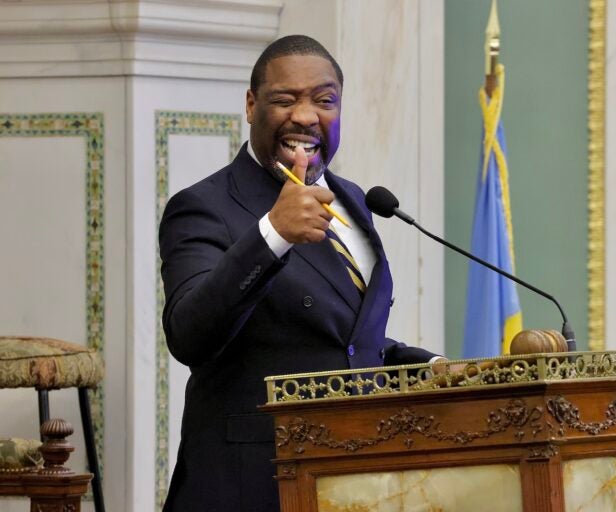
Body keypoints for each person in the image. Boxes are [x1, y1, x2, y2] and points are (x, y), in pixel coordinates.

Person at [158, 35, 441, 511]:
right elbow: (188, 335)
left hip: (348, 481)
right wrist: (273, 234)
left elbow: (344, 343)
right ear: (251, 105)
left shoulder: (353, 200)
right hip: (249, 485)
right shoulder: (203, 207)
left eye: (324, 101)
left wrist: (431, 369)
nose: (306, 116)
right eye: (285, 100)